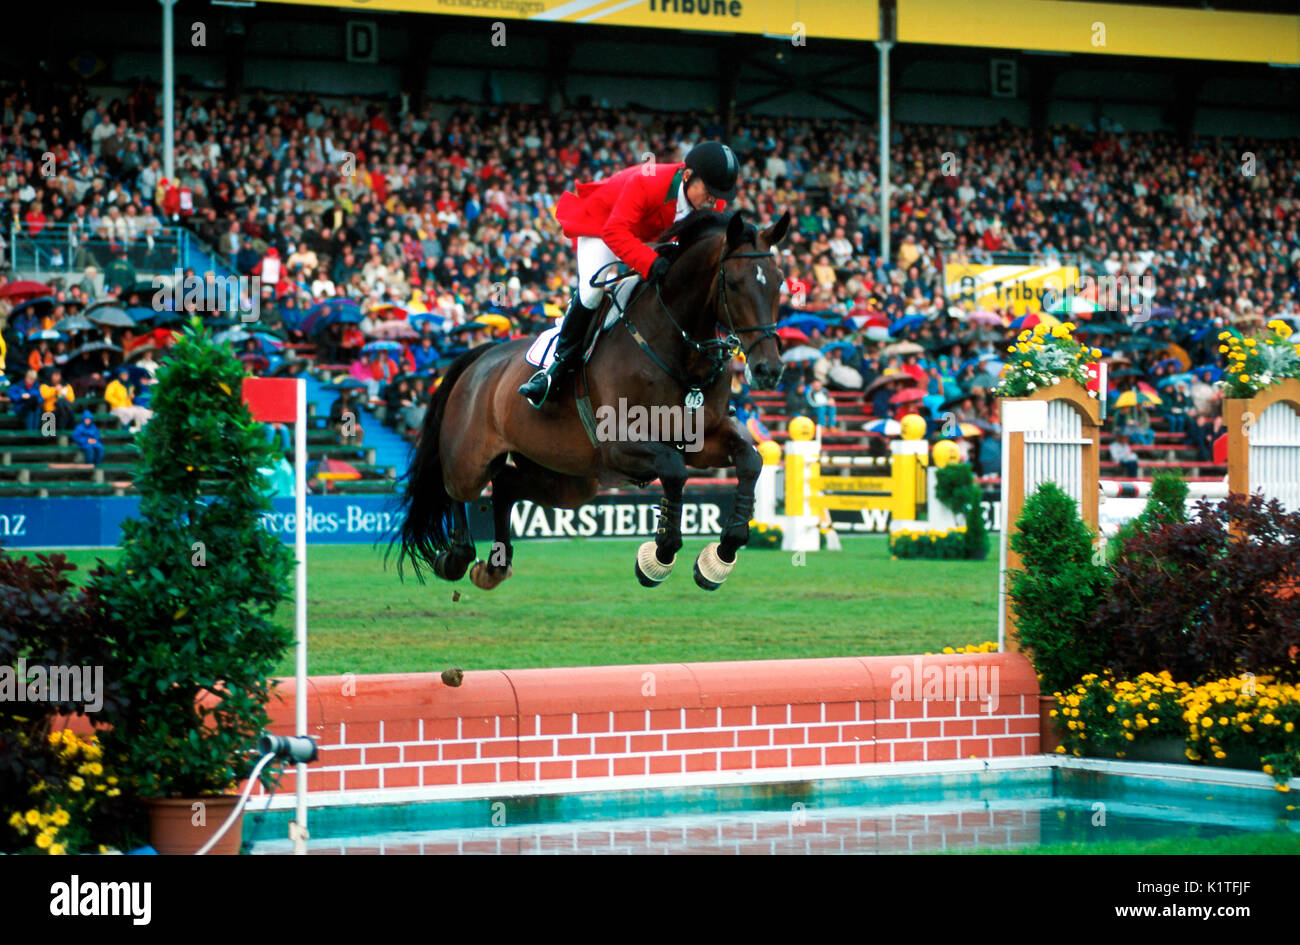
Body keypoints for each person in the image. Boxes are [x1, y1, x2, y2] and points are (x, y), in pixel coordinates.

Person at [518, 141, 740, 407]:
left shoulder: (711, 200)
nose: (715, 200)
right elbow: (615, 233)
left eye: (719, 193)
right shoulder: (649, 182)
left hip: (649, 235)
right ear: (688, 175)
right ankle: (555, 370)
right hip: (603, 226)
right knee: (591, 292)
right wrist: (650, 261)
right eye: (710, 191)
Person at [104, 368, 153, 432]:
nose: (125, 376)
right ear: (120, 375)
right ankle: (125, 429)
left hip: (128, 406)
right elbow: (108, 397)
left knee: (141, 410)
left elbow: (131, 397)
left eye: (126, 375)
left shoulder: (130, 385)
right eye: (123, 375)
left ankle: (139, 428)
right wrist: (119, 403)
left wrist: (132, 397)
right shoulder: (113, 384)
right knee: (128, 413)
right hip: (116, 407)